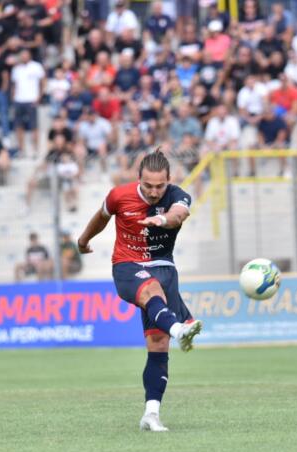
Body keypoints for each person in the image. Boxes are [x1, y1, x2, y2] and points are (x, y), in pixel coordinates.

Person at [76, 149, 204, 432]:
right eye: (148, 186)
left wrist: (160, 220)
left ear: (168, 180)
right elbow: (101, 216)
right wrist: (83, 240)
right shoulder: (119, 196)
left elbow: (177, 216)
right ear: (138, 180)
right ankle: (179, 329)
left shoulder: (178, 196)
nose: (155, 191)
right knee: (152, 290)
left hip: (163, 267)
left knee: (158, 347)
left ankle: (151, 414)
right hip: (128, 265)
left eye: (160, 185)